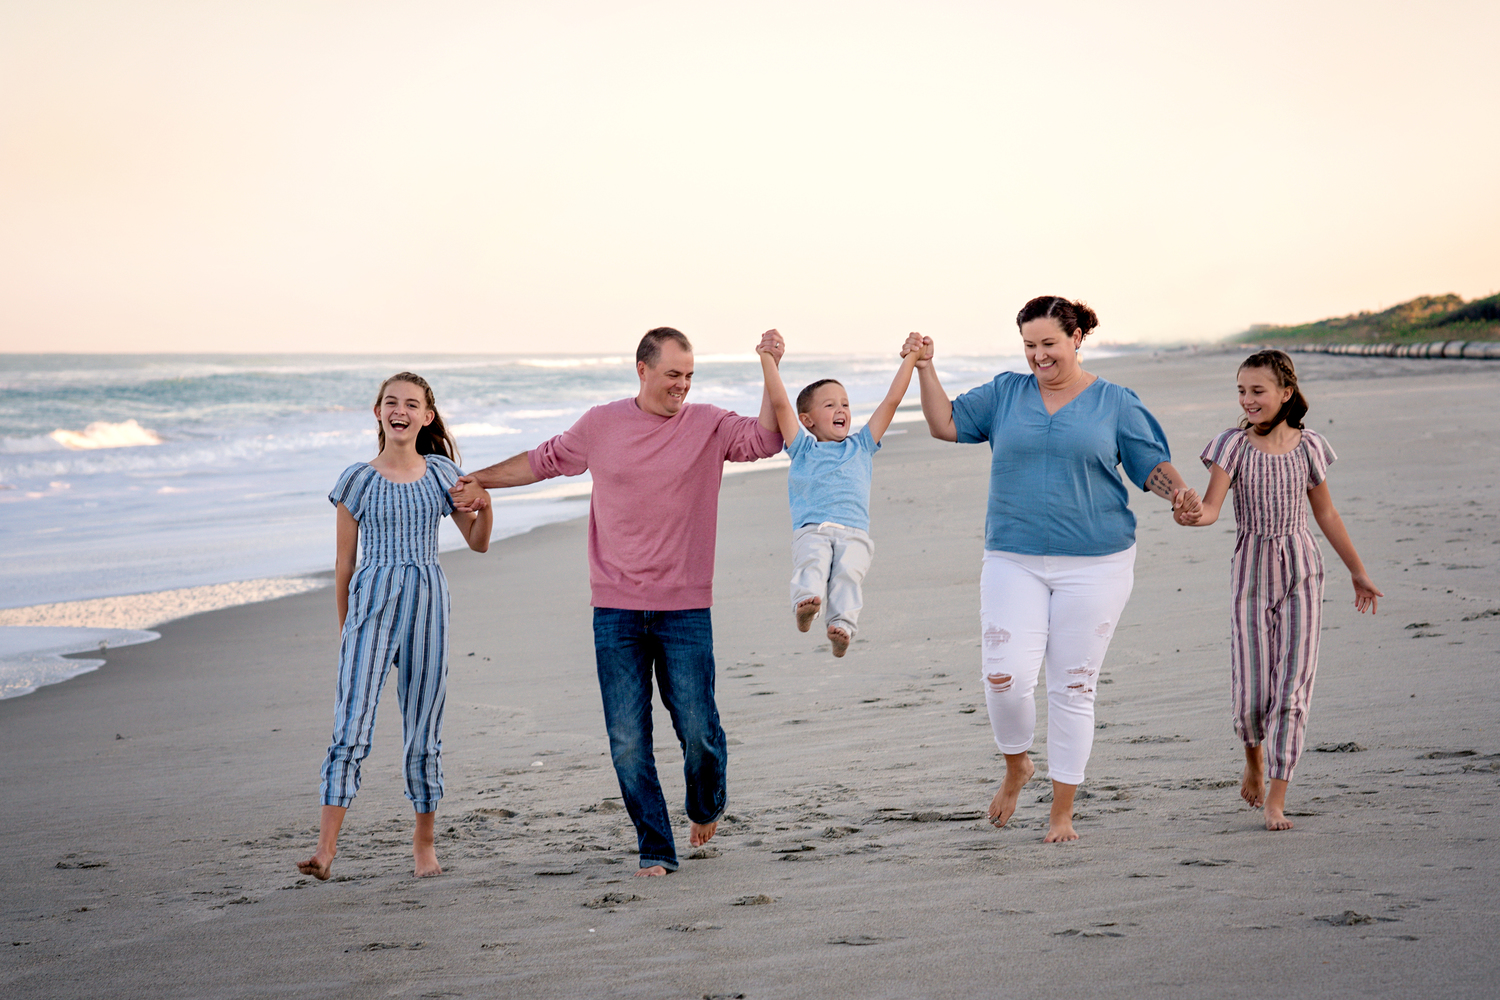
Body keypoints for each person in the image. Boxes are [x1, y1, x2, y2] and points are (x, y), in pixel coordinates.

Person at [449, 328, 783, 876]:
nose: (682, 384)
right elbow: (541, 461)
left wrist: (769, 364)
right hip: (616, 609)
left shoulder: (709, 424)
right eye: (673, 373)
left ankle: (705, 803)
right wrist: (477, 480)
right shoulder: (600, 424)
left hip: (684, 608)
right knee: (628, 739)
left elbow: (768, 439)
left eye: (690, 375)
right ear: (642, 369)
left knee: (698, 730)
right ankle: (656, 847)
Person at [906, 296, 1199, 843]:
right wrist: (926, 368)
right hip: (1012, 558)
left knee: (1073, 686)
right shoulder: (1005, 393)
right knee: (1005, 677)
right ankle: (1017, 765)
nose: (1038, 356)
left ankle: (1062, 811)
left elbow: (1150, 465)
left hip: (1098, 563)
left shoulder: (1115, 402)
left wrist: (1180, 494)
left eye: (1048, 344)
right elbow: (945, 424)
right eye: (1029, 346)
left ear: (1076, 339)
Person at [1174, 349, 1382, 831]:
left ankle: (1278, 797)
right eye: (1241, 391)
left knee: (1293, 689)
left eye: (1257, 391)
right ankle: (1254, 758)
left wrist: (1357, 570)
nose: (1247, 400)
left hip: (1303, 570)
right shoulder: (1232, 446)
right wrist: (1187, 513)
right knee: (1251, 693)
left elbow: (1325, 514)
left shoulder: (1311, 447)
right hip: (1251, 569)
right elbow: (1209, 509)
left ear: (1285, 393)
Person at [298, 373, 493, 880]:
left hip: (428, 601)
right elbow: (344, 564)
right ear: (378, 412)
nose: (400, 410)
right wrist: (347, 629)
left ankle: (423, 843)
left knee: (423, 728)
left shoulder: (442, 473)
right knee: (351, 725)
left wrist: (487, 506)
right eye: (391, 402)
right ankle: (325, 850)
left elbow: (477, 542)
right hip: (371, 606)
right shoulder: (356, 481)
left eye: (411, 403)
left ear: (427, 416)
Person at [756, 331, 921, 656]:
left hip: (854, 533)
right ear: (807, 420)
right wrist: (767, 358)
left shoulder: (862, 446)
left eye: (844, 403)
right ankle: (806, 606)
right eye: (829, 405)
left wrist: (911, 359)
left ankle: (841, 628)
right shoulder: (802, 448)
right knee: (813, 564)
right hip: (812, 530)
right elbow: (779, 403)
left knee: (848, 575)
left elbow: (891, 401)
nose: (840, 409)